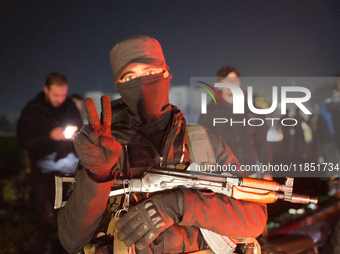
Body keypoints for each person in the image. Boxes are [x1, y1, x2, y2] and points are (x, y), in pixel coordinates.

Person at [58, 36, 267, 254]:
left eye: (149, 73)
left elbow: (255, 218)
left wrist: (180, 205)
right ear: (119, 86)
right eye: (130, 76)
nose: (141, 83)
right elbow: (72, 240)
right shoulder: (105, 149)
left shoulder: (202, 142)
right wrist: (97, 176)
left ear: (166, 74)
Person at [17, 72, 83, 254]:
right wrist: (50, 136)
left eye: (63, 95)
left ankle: (72, 248)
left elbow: (80, 127)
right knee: (44, 218)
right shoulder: (33, 110)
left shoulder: (69, 106)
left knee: (74, 215)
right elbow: (23, 141)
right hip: (44, 173)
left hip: (71, 171)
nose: (60, 99)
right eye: (56, 95)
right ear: (46, 90)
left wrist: (75, 133)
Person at [198, 66, 272, 178]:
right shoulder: (210, 111)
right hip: (222, 174)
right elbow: (202, 142)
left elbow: (262, 142)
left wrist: (267, 172)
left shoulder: (252, 109)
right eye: (227, 80)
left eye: (235, 80)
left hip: (250, 172)